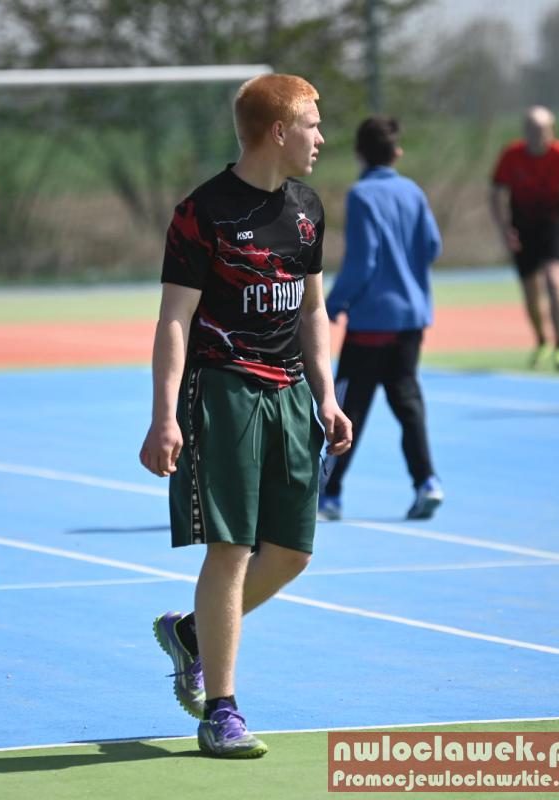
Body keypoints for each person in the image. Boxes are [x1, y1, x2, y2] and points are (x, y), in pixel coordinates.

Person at [139, 73, 352, 758]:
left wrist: (326, 395)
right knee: (230, 548)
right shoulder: (201, 213)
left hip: (290, 393)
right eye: (312, 125)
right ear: (279, 131)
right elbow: (174, 319)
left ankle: (191, 634)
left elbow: (312, 308)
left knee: (291, 553)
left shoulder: (307, 208)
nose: (321, 138)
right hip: (223, 390)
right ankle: (220, 711)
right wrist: (164, 415)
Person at [318, 116, 444, 523]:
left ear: (359, 153)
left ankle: (329, 494)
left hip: (372, 322)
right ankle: (427, 481)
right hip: (410, 320)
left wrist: (334, 303)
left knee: (347, 407)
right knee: (408, 402)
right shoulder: (413, 192)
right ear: (397, 152)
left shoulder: (362, 195)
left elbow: (363, 260)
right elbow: (432, 245)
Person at [489, 106, 559, 371]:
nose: (537, 135)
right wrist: (504, 229)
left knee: (554, 281)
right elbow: (496, 193)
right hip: (522, 226)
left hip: (553, 224)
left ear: (552, 130)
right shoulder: (511, 156)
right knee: (531, 291)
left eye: (542, 130)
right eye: (531, 130)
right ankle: (541, 340)